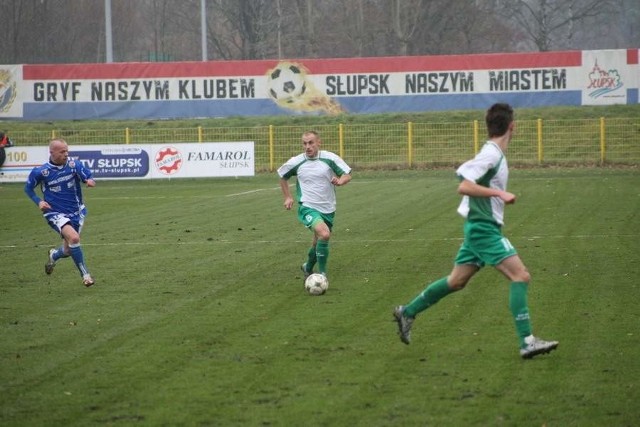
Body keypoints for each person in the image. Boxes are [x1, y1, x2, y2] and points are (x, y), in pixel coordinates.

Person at [393, 103, 558, 359]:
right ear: (512, 127)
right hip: (484, 230)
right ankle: (527, 341)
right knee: (520, 276)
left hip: (477, 228)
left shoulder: (495, 154)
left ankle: (408, 311)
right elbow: (464, 185)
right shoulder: (491, 154)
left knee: (456, 281)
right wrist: (498, 192)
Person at [278, 130, 352, 283]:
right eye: (305, 143)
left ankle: (308, 267)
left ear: (319, 142)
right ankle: (322, 275)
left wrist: (341, 181)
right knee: (324, 234)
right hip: (308, 206)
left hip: (328, 208)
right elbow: (283, 176)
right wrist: (288, 196)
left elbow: (347, 174)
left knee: (317, 241)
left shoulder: (330, 158)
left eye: (311, 143)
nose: (307, 146)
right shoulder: (296, 161)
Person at [24, 138, 96, 287]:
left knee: (68, 250)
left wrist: (89, 181)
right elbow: (28, 189)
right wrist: (39, 201)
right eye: (62, 151)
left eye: (67, 151)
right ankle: (86, 275)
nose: (66, 154)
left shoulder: (74, 165)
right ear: (52, 152)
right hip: (54, 213)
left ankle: (54, 255)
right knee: (74, 238)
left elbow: (88, 176)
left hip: (77, 212)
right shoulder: (41, 172)